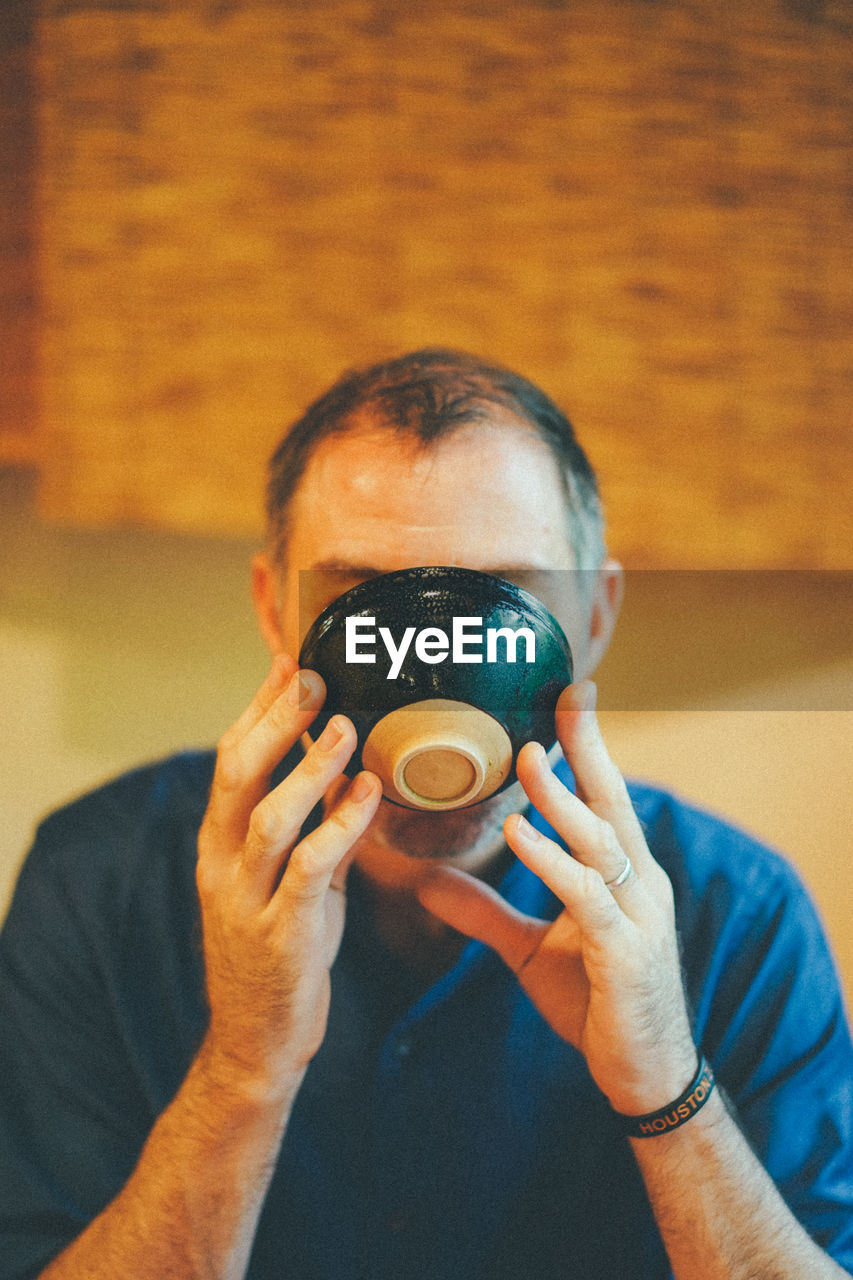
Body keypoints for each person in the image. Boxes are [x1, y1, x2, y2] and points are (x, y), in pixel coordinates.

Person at [0, 348, 851, 1280]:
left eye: (504, 598)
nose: (433, 669)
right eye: (365, 598)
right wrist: (242, 1071)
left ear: (595, 615)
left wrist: (664, 1089)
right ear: (275, 612)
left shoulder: (735, 912)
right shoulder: (100, 880)